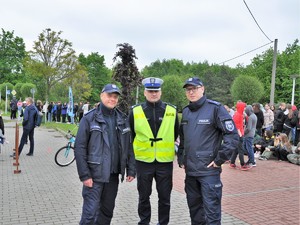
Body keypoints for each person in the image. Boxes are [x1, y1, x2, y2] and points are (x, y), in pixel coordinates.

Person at [177, 77, 239, 225]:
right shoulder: (186, 112)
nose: (191, 92)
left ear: (202, 89)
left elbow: (232, 135)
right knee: (195, 213)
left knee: (212, 213)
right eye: (188, 89)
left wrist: (220, 159)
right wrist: (181, 157)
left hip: (209, 172)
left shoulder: (215, 108)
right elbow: (183, 139)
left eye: (194, 89)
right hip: (191, 172)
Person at [75, 84, 136, 225]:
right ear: (102, 96)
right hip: (95, 175)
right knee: (90, 214)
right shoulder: (89, 118)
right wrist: (85, 175)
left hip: (113, 176)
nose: (112, 99)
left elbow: (129, 146)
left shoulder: (122, 118)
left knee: (107, 212)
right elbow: (79, 148)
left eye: (115, 97)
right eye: (109, 95)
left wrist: (131, 168)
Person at [129, 77, 179, 225]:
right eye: (150, 91)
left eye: (156, 91)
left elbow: (175, 133)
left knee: (165, 197)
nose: (153, 94)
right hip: (143, 161)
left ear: (160, 92)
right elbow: (131, 136)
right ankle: (144, 222)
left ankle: (163, 223)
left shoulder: (172, 110)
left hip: (164, 162)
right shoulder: (135, 111)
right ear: (144, 92)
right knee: (143, 197)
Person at [229, 101, 251, 170]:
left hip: (239, 134)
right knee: (240, 150)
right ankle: (242, 164)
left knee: (236, 149)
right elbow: (236, 126)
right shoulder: (238, 115)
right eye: (244, 107)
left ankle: (232, 162)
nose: (245, 108)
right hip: (239, 134)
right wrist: (240, 135)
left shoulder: (239, 114)